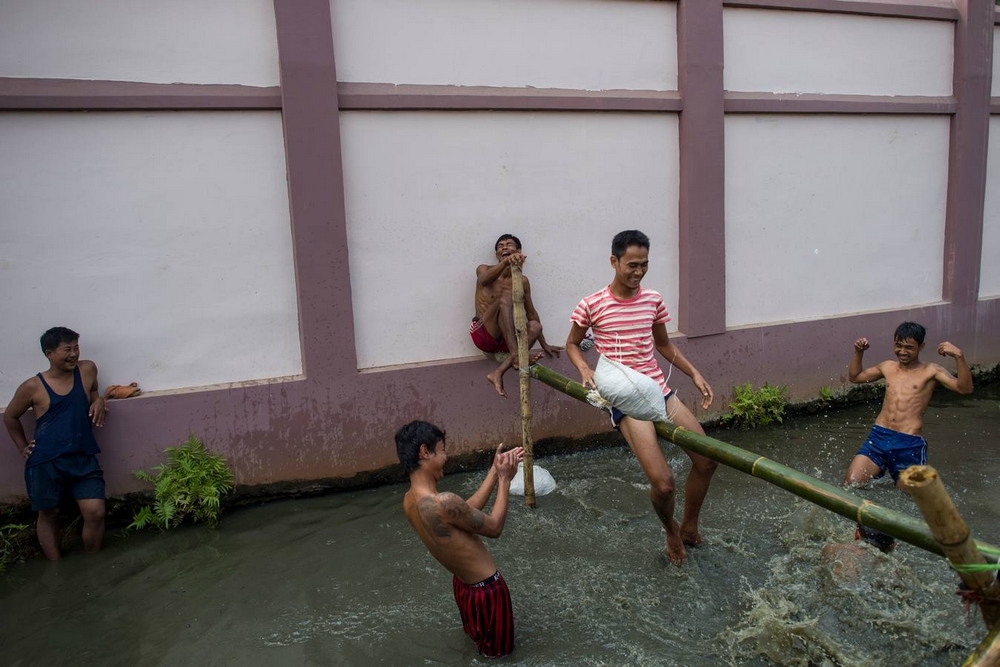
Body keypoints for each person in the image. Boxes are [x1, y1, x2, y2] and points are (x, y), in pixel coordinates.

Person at [565, 230, 718, 565]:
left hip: (659, 391)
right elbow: (572, 343)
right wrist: (584, 370)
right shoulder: (592, 304)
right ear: (614, 261)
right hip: (628, 401)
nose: (638, 272)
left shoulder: (653, 300)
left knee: (707, 460)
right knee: (663, 485)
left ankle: (690, 525)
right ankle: (671, 530)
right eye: (631, 265)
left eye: (644, 265)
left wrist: (694, 373)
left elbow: (664, 344)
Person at [396, 420, 524, 658]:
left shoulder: (410, 501)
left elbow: (464, 513)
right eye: (443, 450)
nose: (446, 457)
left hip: (464, 589)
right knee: (501, 659)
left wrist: (494, 471)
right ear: (425, 452)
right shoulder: (444, 502)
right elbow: (494, 527)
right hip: (488, 594)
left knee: (481, 653)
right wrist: (506, 480)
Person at [3, 327, 109, 560]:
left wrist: (98, 400)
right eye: (67, 350)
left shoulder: (88, 369)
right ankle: (56, 565)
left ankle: (93, 562)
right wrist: (22, 446)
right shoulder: (33, 386)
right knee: (49, 513)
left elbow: (92, 390)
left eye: (76, 348)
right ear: (49, 353)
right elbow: (10, 416)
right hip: (45, 462)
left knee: (95, 512)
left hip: (83, 457)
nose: (74, 354)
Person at [844, 321, 973, 489]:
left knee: (908, 498)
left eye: (909, 348)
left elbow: (965, 389)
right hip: (878, 437)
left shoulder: (931, 371)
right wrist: (858, 352)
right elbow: (855, 377)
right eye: (898, 346)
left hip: (909, 443)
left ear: (921, 346)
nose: (902, 352)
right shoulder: (887, 366)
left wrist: (959, 356)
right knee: (851, 485)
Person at [472, 233, 563, 397]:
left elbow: (532, 314)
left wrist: (544, 344)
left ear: (519, 251)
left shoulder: (523, 281)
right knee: (504, 300)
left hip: (508, 339)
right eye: (500, 246)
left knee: (535, 326)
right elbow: (484, 280)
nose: (504, 247)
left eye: (509, 244)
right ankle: (517, 357)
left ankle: (499, 372)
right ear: (496, 254)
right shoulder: (483, 269)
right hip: (484, 334)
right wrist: (506, 262)